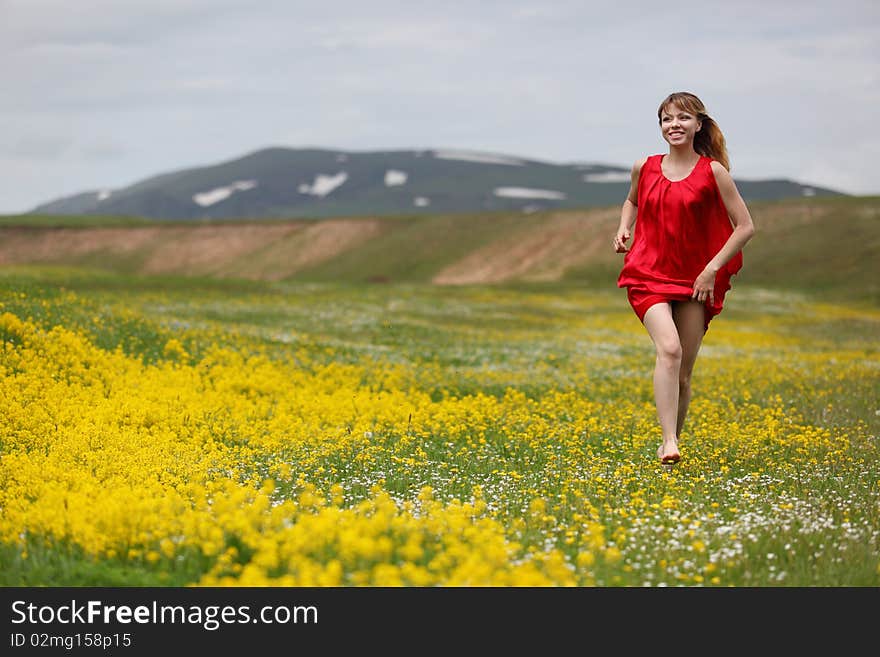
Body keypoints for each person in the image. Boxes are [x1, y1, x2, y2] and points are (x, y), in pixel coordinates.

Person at [614, 91, 755, 467]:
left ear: (698, 125)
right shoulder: (644, 167)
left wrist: (711, 269)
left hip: (694, 280)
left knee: (684, 374)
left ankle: (671, 445)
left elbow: (745, 227)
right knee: (670, 350)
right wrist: (624, 228)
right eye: (666, 119)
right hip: (648, 273)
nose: (673, 125)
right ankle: (669, 440)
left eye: (682, 118)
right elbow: (632, 200)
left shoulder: (713, 172)